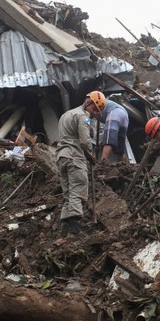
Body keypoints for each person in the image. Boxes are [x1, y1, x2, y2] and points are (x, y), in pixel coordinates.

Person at [55, 91, 106, 237]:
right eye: (95, 109)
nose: (95, 113)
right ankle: (75, 230)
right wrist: (90, 156)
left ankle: (63, 229)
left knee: (68, 194)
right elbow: (85, 142)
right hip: (74, 157)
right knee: (79, 189)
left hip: (61, 157)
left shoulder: (67, 114)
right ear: (89, 103)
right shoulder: (83, 116)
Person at [99, 98, 129, 162]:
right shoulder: (102, 100)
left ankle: (101, 165)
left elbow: (87, 119)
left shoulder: (89, 105)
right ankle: (122, 166)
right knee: (120, 149)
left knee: (108, 141)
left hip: (115, 113)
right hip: (124, 115)